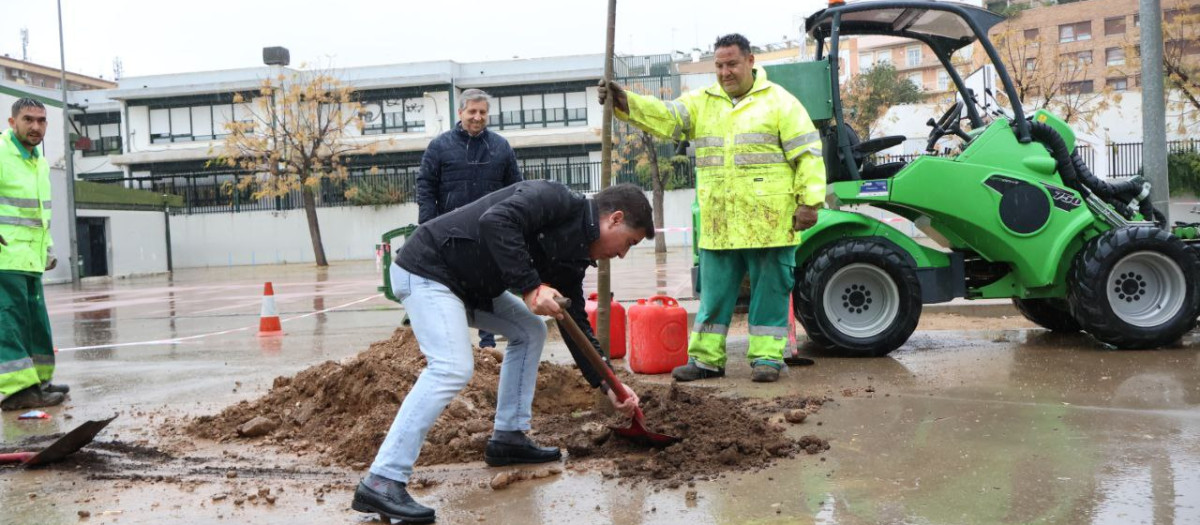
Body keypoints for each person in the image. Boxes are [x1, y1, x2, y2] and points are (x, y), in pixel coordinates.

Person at [353, 181, 653, 523]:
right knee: (451, 367)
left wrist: (607, 382)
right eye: (629, 243)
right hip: (430, 269)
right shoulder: (554, 199)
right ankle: (383, 479)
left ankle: (509, 437)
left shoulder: (574, 254)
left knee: (530, 329)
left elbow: (574, 322)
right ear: (614, 219)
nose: (622, 254)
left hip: (471, 284)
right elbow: (495, 221)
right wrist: (529, 286)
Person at [600, 33, 825, 383]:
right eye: (719, 66)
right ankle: (706, 359)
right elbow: (665, 116)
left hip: (769, 220)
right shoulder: (701, 102)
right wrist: (624, 102)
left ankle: (767, 358)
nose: (725, 72)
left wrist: (809, 202)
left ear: (750, 61)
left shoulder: (780, 103)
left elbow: (808, 154)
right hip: (719, 221)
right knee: (714, 295)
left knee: (771, 291)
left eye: (732, 64)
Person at [416, 88, 523, 350]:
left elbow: (516, 188)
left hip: (490, 230)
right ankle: (454, 344)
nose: (477, 117)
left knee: (487, 285)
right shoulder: (440, 146)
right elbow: (426, 185)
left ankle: (487, 345)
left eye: (482, 112)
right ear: (461, 112)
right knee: (451, 288)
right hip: (451, 232)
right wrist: (428, 224)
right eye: (472, 111)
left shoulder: (500, 147)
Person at [0, 98, 68, 411]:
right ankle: (18, 391)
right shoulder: (2, 152)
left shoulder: (37, 160)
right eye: (29, 120)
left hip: (30, 258)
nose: (36, 126)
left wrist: (48, 246)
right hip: (4, 258)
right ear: (12, 123)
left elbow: (38, 213)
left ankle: (39, 382)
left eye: (42, 121)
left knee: (35, 324)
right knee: (9, 324)